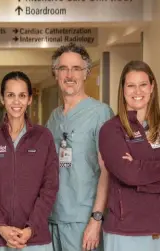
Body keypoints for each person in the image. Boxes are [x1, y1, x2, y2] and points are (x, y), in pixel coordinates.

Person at [0, 71, 59, 251]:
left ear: (29, 99)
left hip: (35, 238)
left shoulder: (44, 137)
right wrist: (1, 227)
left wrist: (31, 228)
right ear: (2, 98)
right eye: (10, 95)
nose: (16, 102)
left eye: (22, 95)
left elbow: (50, 187)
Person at [99, 60, 160, 251]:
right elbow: (129, 175)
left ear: (152, 87)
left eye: (143, 85)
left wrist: (139, 169)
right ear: (123, 90)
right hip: (127, 231)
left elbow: (136, 175)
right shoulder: (111, 130)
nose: (137, 91)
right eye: (131, 85)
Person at [46, 43, 114, 251]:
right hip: (53, 217)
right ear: (55, 74)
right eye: (63, 68)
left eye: (76, 68)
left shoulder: (100, 114)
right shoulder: (54, 118)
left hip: (83, 219)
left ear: (86, 74)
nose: (69, 74)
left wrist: (96, 218)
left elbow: (107, 171)